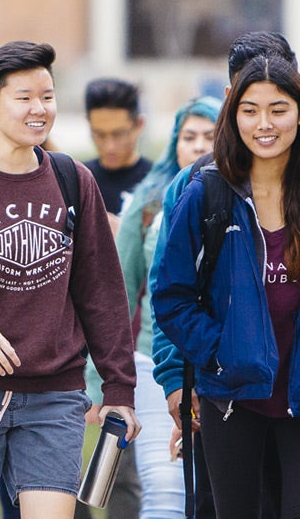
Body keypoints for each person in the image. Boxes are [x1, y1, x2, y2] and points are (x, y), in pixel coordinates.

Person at [0, 41, 138, 519]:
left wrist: (119, 389)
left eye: (48, 96)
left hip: (53, 393)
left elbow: (102, 292)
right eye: (24, 97)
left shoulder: (73, 180)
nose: (40, 109)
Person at [153, 53, 300, 518]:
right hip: (232, 399)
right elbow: (172, 295)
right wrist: (219, 352)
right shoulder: (208, 192)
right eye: (250, 110)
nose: (265, 124)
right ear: (233, 116)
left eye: (278, 109)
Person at [110, 95, 221, 518]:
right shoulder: (150, 202)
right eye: (188, 136)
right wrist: (103, 379)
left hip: (220, 365)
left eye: (209, 136)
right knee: (165, 491)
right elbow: (120, 291)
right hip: (156, 363)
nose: (197, 145)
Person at [85, 78, 153, 223]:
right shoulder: (78, 181)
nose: (109, 146)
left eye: (118, 134)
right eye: (100, 135)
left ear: (139, 125)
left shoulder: (157, 182)